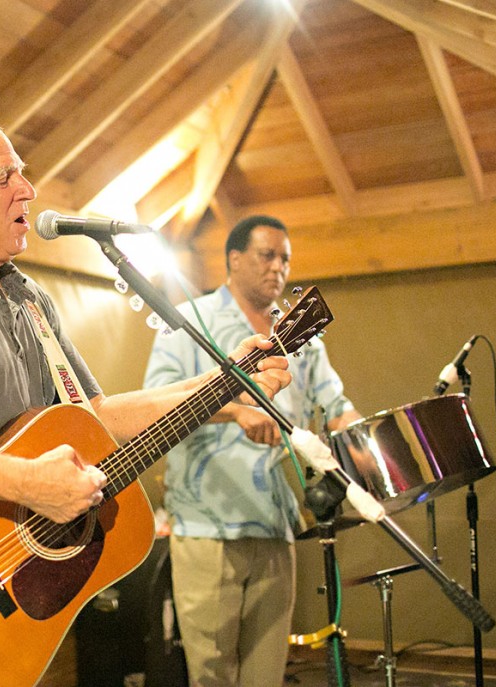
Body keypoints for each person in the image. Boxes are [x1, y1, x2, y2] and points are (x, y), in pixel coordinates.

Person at [0, 117, 291, 533]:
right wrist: (27, 483)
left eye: (21, 173)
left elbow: (95, 416)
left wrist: (225, 382)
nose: (28, 190)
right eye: (3, 177)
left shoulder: (27, 297)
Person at [143, 215, 362, 686]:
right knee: (213, 676)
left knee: (266, 675)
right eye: (267, 255)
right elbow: (156, 404)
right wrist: (235, 412)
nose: (278, 267)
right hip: (207, 527)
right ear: (235, 259)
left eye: (285, 259)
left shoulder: (299, 330)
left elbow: (336, 405)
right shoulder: (190, 321)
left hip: (275, 523)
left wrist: (369, 444)